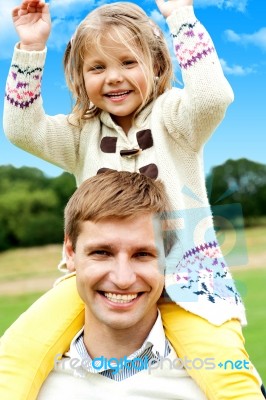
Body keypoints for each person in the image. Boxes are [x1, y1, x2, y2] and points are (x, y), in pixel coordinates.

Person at [1, 0, 265, 399]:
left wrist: (180, 15)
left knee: (224, 371)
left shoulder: (175, 117)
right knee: (17, 355)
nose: (114, 78)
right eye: (97, 67)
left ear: (156, 65)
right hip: (100, 277)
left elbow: (213, 97)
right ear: (79, 77)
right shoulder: (80, 133)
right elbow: (23, 129)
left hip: (188, 279)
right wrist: (32, 48)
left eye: (128, 62)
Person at [37, 170, 210, 399]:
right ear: (70, 253)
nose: (123, 279)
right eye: (101, 252)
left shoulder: (215, 382)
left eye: (142, 254)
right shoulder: (32, 385)